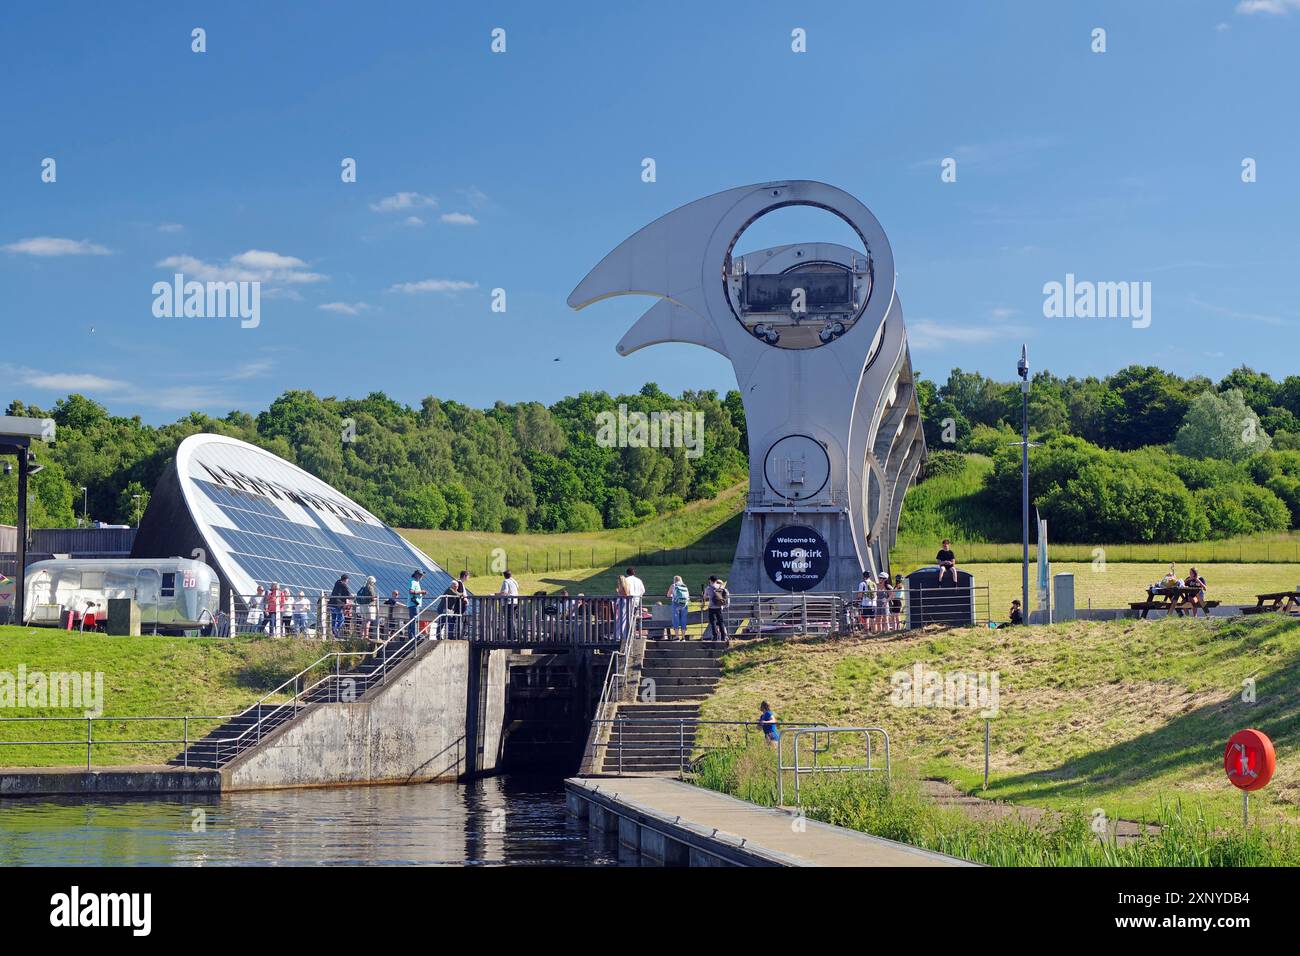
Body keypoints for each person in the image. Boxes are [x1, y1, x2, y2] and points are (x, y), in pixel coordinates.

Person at [621, 566, 646, 640]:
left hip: (627, 601)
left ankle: (626, 635)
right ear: (634, 573)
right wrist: (638, 596)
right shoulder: (639, 580)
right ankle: (633, 634)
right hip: (637, 601)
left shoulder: (625, 580)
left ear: (627, 573)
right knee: (634, 618)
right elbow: (643, 590)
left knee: (626, 618)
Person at [703, 575, 729, 642]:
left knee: (713, 622)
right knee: (721, 622)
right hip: (719, 606)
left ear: (710, 580)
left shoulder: (708, 588)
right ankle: (723, 637)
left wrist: (705, 595)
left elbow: (705, 597)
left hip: (711, 607)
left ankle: (715, 637)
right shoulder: (721, 587)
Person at [667, 575, 690, 640]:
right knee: (683, 619)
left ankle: (677, 636)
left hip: (676, 603)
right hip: (684, 604)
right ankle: (683, 637)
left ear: (675, 580)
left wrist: (672, 595)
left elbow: (668, 595)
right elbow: (688, 596)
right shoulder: (685, 586)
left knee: (675, 619)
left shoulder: (673, 585)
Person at [498, 569, 519, 641]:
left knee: (509, 619)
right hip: (515, 602)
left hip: (509, 602)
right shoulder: (514, 581)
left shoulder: (505, 581)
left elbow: (505, 592)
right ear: (511, 575)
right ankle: (515, 636)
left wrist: (496, 594)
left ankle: (510, 636)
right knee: (513, 619)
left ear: (504, 576)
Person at [356, 575, 378, 642]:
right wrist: (376, 598)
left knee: (364, 620)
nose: (374, 584)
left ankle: (361, 635)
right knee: (368, 621)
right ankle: (366, 636)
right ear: (372, 582)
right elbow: (372, 597)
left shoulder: (364, 586)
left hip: (362, 605)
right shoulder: (370, 587)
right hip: (369, 606)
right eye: (374, 583)